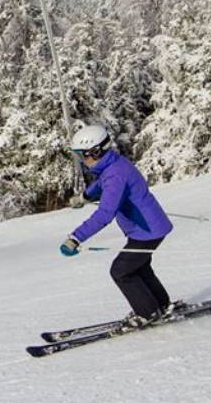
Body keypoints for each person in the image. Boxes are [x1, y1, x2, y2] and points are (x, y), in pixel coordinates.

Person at [59, 124, 176, 328]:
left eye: (82, 155)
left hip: (146, 231)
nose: (81, 160)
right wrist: (85, 196)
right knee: (139, 267)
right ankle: (161, 305)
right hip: (146, 228)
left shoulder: (115, 174)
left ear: (95, 152)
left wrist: (75, 238)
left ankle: (147, 313)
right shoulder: (113, 166)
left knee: (121, 271)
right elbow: (102, 184)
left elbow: (105, 214)